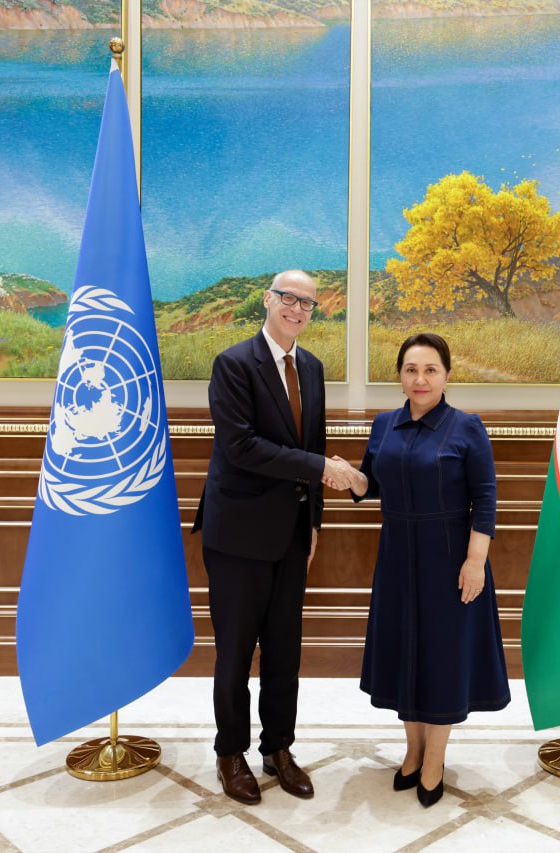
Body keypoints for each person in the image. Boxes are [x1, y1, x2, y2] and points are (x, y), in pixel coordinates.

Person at [193, 269, 356, 805]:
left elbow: (316, 443)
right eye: (289, 298)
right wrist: (321, 468)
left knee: (285, 653)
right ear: (268, 300)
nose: (298, 309)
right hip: (237, 536)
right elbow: (241, 447)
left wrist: (314, 523)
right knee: (235, 654)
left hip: (291, 534)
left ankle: (278, 748)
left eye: (308, 303)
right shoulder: (234, 363)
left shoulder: (312, 367)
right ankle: (230, 753)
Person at [334, 333, 510, 808]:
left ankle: (435, 759)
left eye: (431, 369)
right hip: (396, 556)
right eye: (411, 369)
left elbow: (486, 498)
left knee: (441, 660)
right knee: (404, 654)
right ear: (400, 376)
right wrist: (351, 477)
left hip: (450, 559)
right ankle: (412, 751)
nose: (420, 379)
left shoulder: (466, 427)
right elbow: (372, 485)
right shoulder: (384, 425)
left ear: (447, 375)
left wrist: (476, 561)